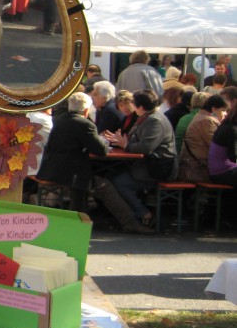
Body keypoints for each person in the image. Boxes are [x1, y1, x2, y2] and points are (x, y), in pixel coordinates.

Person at [99, 90, 177, 232]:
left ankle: (143, 214)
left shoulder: (154, 121)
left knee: (118, 183)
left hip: (157, 168)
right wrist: (121, 141)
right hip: (146, 165)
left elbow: (145, 147)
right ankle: (125, 216)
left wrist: (125, 144)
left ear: (140, 107)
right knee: (110, 177)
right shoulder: (146, 118)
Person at [37, 92, 107, 212]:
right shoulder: (85, 124)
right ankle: (79, 213)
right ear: (86, 110)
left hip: (51, 168)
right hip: (71, 172)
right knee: (93, 181)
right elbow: (101, 150)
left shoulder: (58, 120)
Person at [178, 94, 226, 182]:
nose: (225, 113)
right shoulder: (207, 121)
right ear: (214, 109)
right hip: (199, 170)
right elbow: (218, 146)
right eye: (223, 110)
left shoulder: (200, 117)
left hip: (195, 167)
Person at [208, 86, 237, 187]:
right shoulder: (231, 129)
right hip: (222, 171)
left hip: (218, 170)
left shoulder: (226, 125)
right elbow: (234, 156)